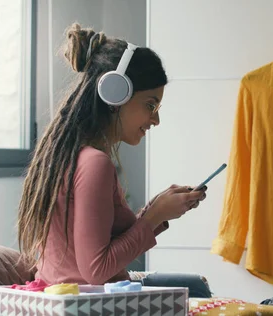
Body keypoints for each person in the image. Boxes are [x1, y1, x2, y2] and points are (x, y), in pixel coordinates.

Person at [16, 23, 207, 286]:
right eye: (150, 105)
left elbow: (100, 255)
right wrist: (153, 218)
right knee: (198, 289)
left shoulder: (75, 157)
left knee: (196, 286)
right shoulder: (95, 164)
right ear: (115, 94)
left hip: (71, 297)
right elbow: (97, 270)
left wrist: (156, 211)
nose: (156, 119)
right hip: (84, 305)